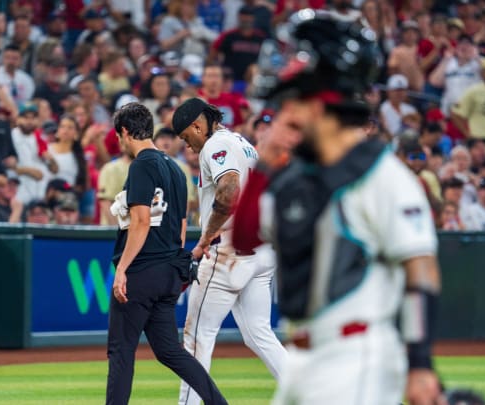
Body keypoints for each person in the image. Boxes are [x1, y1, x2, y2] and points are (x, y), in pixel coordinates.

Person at [244, 13, 444, 404]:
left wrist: (420, 364)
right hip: (303, 360)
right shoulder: (300, 174)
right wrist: (265, 161)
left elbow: (420, 271)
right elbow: (246, 233)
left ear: (320, 99)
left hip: (358, 357)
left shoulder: (384, 175)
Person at [106, 102, 227, 405]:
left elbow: (141, 220)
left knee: (121, 351)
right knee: (169, 351)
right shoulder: (175, 167)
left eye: (120, 136)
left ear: (124, 132)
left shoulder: (142, 165)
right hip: (169, 271)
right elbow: (183, 224)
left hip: (142, 272)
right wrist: (177, 263)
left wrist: (122, 269)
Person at [172, 97, 287, 405]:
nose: (189, 146)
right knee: (259, 333)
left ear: (198, 125)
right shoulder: (242, 142)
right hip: (262, 248)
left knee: (197, 337)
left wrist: (204, 239)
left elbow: (230, 189)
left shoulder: (215, 145)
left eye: (187, 137)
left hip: (230, 249)